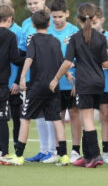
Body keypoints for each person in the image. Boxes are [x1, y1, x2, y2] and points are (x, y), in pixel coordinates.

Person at [50, 3, 108, 168]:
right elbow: (106, 64)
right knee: (88, 118)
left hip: (85, 82)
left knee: (86, 119)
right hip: (99, 83)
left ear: (77, 19)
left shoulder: (75, 38)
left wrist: (56, 78)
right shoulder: (101, 37)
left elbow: (67, 62)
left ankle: (95, 156)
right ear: (94, 18)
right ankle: (87, 156)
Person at [6, 10, 70, 166]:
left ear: (33, 25)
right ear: (49, 23)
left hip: (37, 86)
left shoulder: (33, 39)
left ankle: (19, 155)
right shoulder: (56, 40)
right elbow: (61, 61)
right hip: (53, 86)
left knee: (25, 118)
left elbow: (29, 58)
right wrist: (67, 75)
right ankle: (64, 155)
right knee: (56, 120)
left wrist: (22, 77)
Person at [18, 0, 57, 163]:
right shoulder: (27, 24)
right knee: (38, 114)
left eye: (36, 2)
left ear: (43, 0)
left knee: (51, 113)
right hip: (34, 75)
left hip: (50, 73)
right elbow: (23, 50)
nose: (33, 6)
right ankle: (43, 150)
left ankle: (53, 150)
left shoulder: (52, 20)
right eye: (30, 3)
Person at [48, 0, 81, 163]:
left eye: (60, 16)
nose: (57, 20)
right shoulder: (47, 31)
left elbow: (81, 57)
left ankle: (76, 150)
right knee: (57, 116)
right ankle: (58, 151)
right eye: (54, 17)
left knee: (74, 114)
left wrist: (76, 82)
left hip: (72, 81)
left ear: (67, 14)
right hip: (55, 82)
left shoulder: (75, 31)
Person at [91, 6, 108, 164]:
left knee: (105, 115)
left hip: (105, 84)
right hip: (88, 83)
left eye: (95, 22)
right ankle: (90, 150)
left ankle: (106, 151)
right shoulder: (84, 37)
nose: (93, 25)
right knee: (86, 117)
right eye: (90, 22)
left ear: (102, 20)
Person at [0, 5, 24, 162]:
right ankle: (3, 153)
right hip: (2, 82)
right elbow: (15, 58)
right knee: (2, 118)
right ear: (9, 19)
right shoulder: (10, 35)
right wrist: (31, 59)